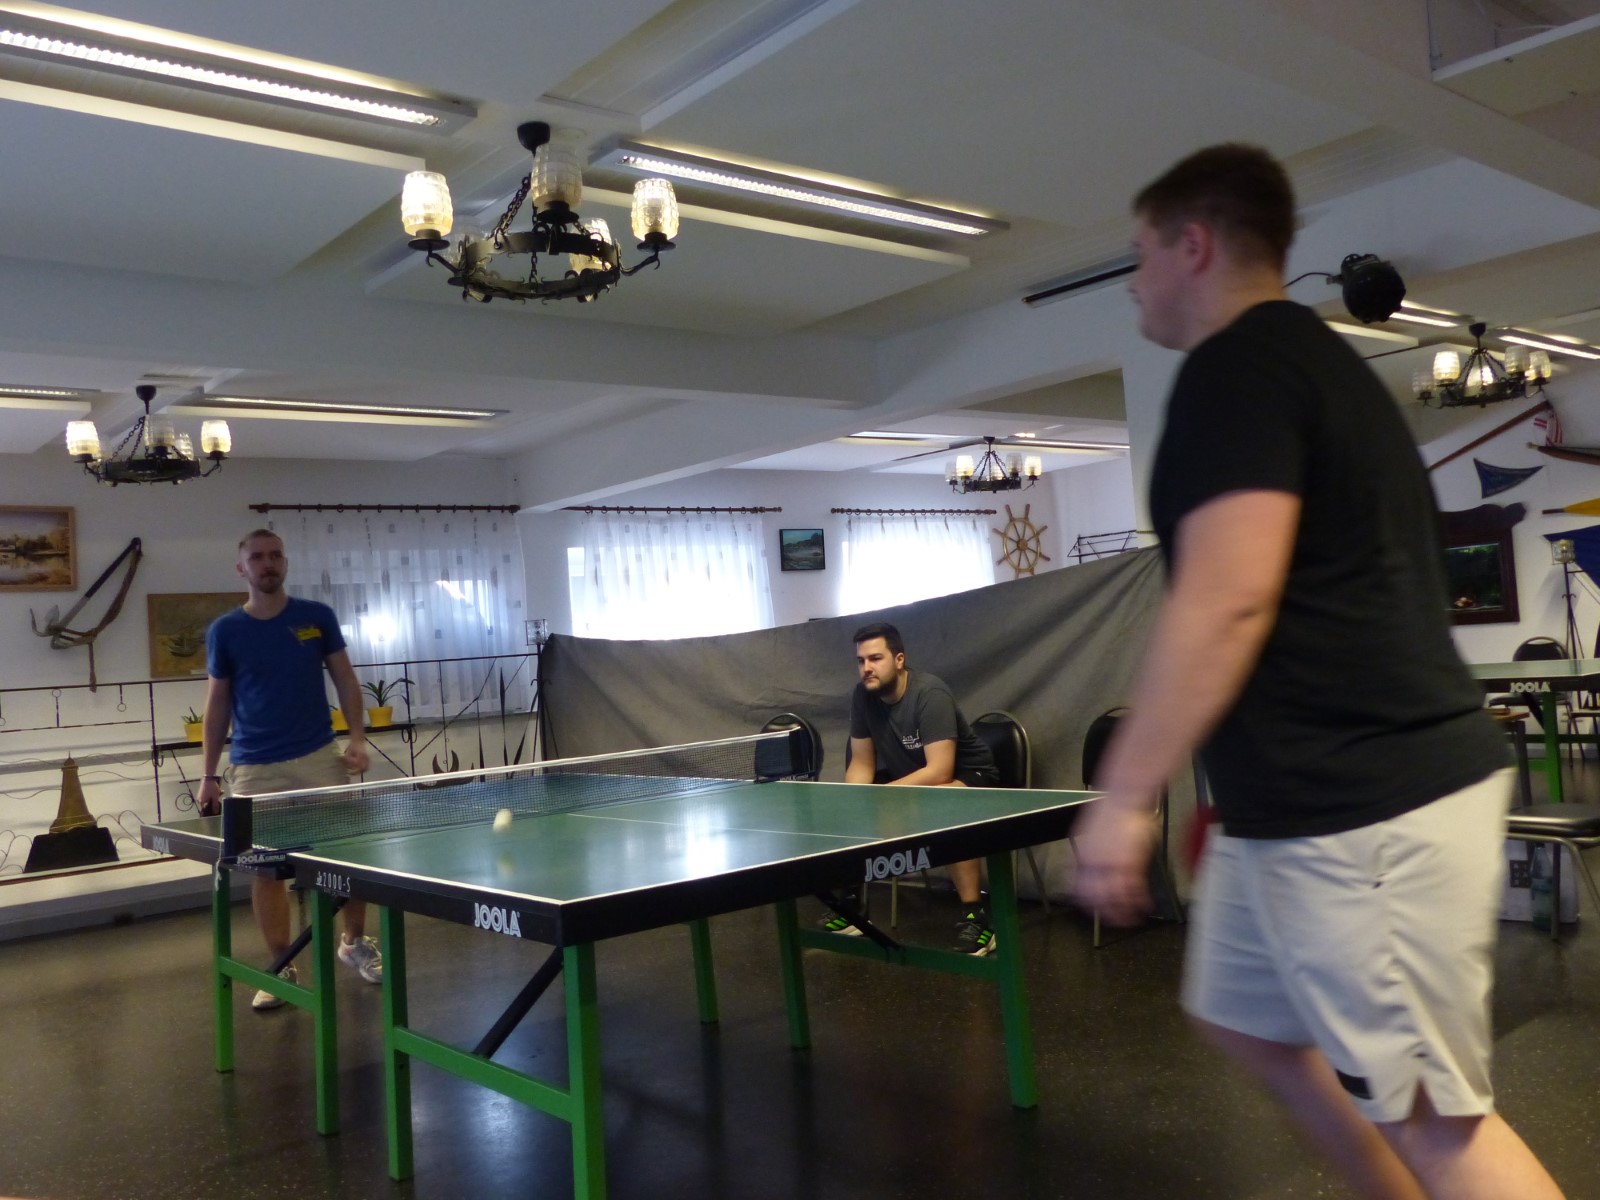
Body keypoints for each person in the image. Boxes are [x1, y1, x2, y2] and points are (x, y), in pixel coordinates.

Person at [1072, 143, 1563, 1199]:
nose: (1132, 281)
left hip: (1365, 807)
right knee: (1246, 1022)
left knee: (1434, 1115)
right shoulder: (1312, 365)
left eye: (1140, 253)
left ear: (1192, 244)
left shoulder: (1238, 369)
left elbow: (1227, 598)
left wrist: (1121, 799)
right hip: (1288, 817)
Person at [196, 529, 383, 1010]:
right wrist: (209, 775)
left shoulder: (316, 617)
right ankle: (282, 966)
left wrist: (357, 738)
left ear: (285, 563)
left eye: (275, 555)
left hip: (319, 756)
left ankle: (353, 943)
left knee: (348, 858)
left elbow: (345, 678)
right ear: (242, 568)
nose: (267, 563)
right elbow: (217, 704)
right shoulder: (226, 630)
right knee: (266, 871)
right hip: (255, 766)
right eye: (257, 557)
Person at [843, 622, 1001, 955]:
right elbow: (861, 763)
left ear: (899, 659)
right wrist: (853, 801)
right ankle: (850, 905)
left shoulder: (930, 693)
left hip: (971, 774)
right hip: (918, 779)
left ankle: (976, 919)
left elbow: (940, 771)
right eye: (861, 660)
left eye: (875, 658)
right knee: (852, 805)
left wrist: (884, 795)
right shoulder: (862, 696)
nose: (867, 668)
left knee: (947, 805)